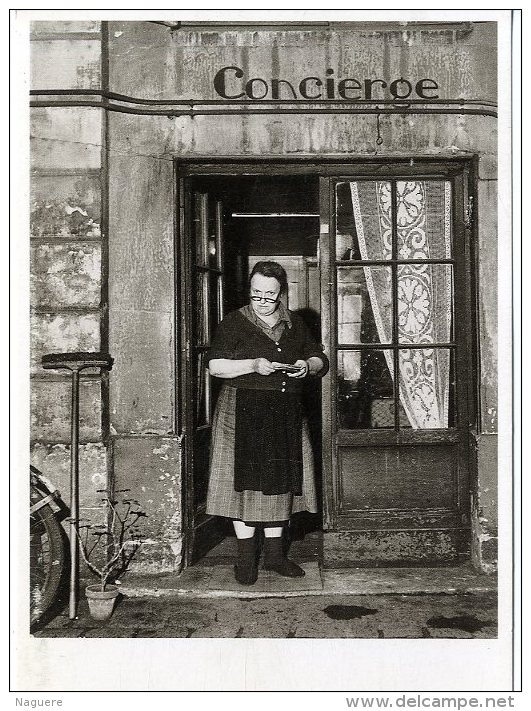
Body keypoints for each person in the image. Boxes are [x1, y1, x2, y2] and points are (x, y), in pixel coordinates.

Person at [206, 261, 329, 585]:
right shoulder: (234, 323)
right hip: (241, 410)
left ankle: (275, 556)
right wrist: (252, 364)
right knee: (243, 487)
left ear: (281, 293)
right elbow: (215, 366)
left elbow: (320, 357)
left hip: (285, 411)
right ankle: (246, 561)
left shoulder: (295, 323)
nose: (262, 300)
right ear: (250, 290)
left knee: (281, 485)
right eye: (256, 294)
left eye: (269, 295)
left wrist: (307, 365)